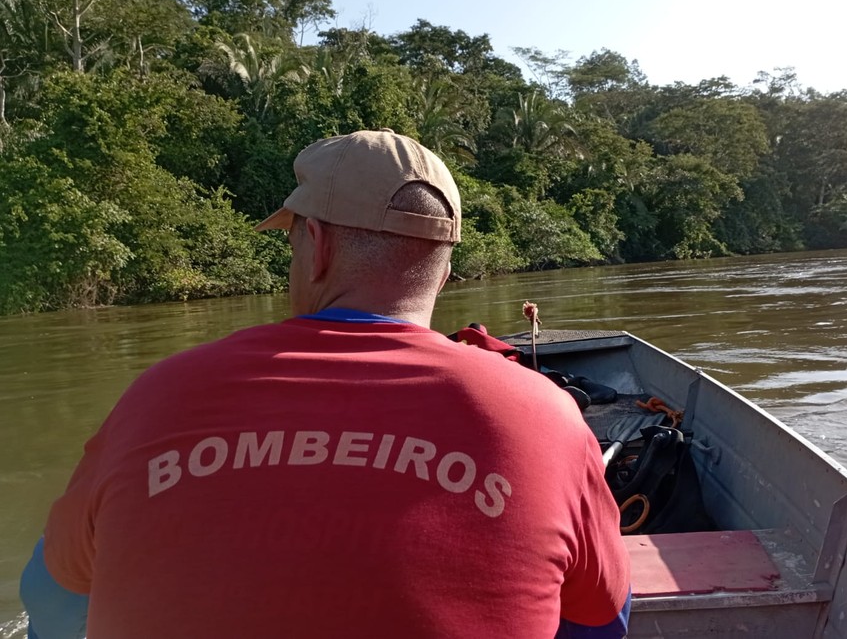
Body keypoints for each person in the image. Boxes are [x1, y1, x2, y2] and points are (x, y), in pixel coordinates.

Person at [20, 129, 631, 638]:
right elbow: (604, 617)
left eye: (290, 239)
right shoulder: (545, 415)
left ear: (313, 245)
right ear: (443, 271)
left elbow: (50, 601)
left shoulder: (154, 398)